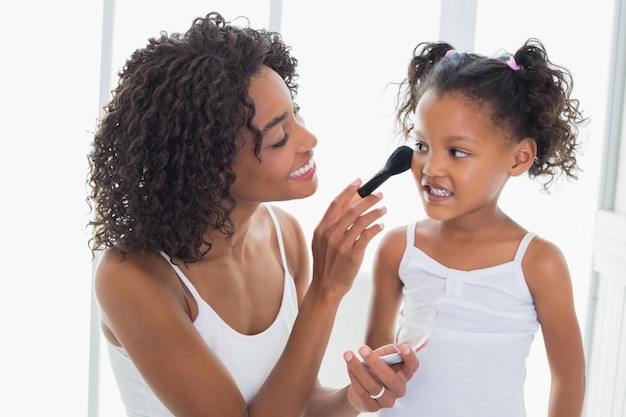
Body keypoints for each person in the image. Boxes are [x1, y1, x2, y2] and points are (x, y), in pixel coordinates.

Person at [87, 11, 419, 417]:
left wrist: (356, 396)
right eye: (280, 137)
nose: (310, 140)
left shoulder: (285, 237)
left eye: (296, 115)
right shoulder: (132, 278)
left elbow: (296, 401)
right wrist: (326, 291)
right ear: (207, 166)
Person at [364, 39, 586, 417]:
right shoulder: (398, 248)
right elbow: (376, 363)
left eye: (458, 151)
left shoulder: (538, 263)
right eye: (421, 145)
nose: (431, 168)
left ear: (519, 157)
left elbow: (569, 377)